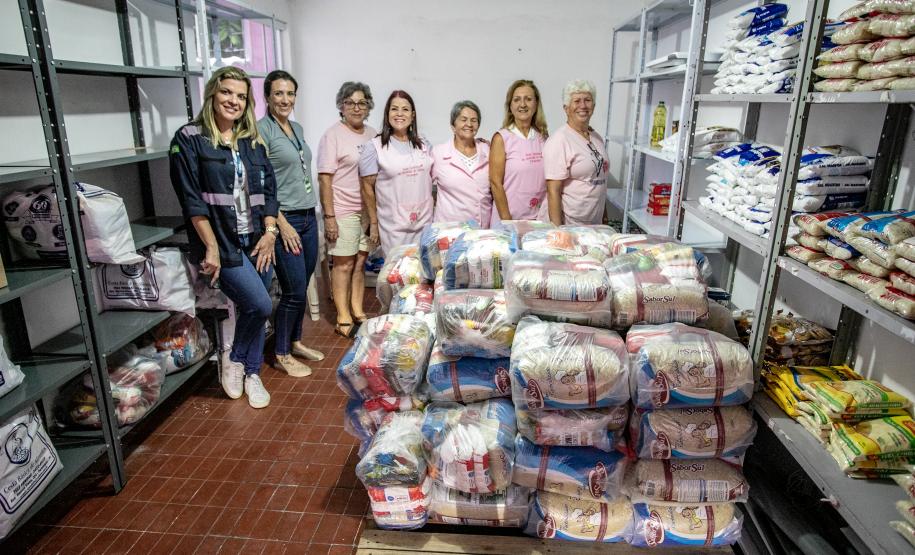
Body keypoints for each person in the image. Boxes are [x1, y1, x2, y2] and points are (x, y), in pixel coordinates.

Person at [169, 66, 277, 408]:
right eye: (227, 92)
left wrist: (271, 232)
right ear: (213, 93)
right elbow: (191, 199)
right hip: (223, 240)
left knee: (257, 307)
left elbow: (270, 191)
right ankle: (237, 360)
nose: (234, 100)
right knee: (258, 303)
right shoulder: (189, 138)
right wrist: (212, 247)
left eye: (241, 96)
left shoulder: (252, 141)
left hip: (257, 237)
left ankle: (253, 372)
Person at [256, 70, 325, 377]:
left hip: (309, 215)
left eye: (290, 94)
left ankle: (295, 341)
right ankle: (281, 352)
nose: (285, 99)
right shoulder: (261, 131)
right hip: (287, 220)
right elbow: (261, 186)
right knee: (294, 290)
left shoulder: (295, 127)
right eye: (279, 94)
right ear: (267, 97)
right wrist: (280, 224)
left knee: (305, 279)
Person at [317, 82, 377, 338]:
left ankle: (357, 308)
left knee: (361, 262)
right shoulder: (333, 135)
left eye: (362, 103)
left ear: (368, 107)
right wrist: (329, 217)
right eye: (350, 102)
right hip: (342, 209)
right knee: (343, 264)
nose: (356, 107)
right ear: (341, 106)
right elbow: (324, 179)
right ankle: (342, 315)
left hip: (366, 210)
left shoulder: (373, 134)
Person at [359, 90, 433, 256]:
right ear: (387, 114)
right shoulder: (374, 147)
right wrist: (374, 223)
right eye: (394, 109)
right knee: (397, 276)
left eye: (405, 109)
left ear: (413, 115)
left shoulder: (424, 144)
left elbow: (439, 169)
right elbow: (367, 189)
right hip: (394, 228)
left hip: (424, 224)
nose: (400, 114)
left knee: (424, 276)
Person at [541, 79, 609, 226]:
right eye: (576, 101)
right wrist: (558, 231)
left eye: (587, 100)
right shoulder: (559, 140)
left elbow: (601, 180)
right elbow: (553, 191)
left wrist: (604, 217)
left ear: (594, 105)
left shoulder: (597, 138)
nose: (583, 106)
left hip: (593, 223)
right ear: (566, 108)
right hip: (569, 223)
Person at [489, 79, 548, 227]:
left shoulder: (543, 138)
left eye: (528, 99)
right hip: (509, 221)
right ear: (510, 105)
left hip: (538, 220)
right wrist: (508, 222)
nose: (522, 104)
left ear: (536, 104)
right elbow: (495, 183)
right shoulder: (502, 138)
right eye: (517, 100)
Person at [431, 100, 491, 226]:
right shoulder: (438, 153)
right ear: (453, 125)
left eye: (474, 120)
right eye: (463, 119)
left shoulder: (488, 150)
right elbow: (424, 190)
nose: (469, 124)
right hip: (449, 230)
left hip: (483, 230)